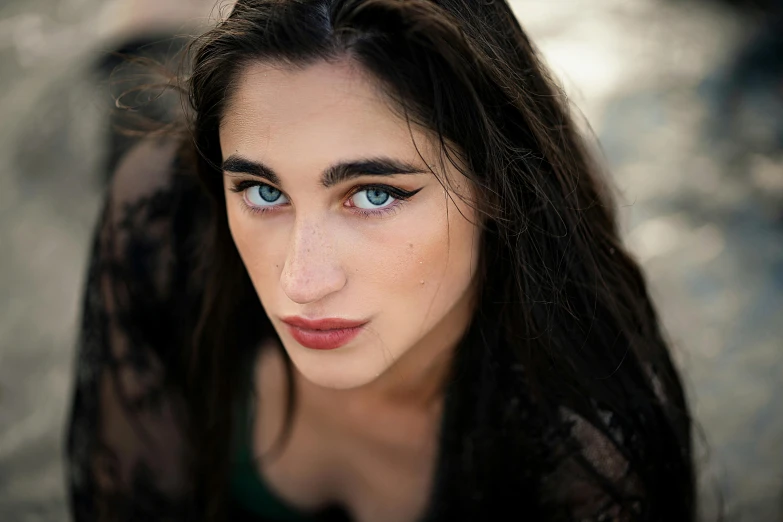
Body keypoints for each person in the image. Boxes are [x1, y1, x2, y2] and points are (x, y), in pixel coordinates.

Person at [65, 1, 696, 521]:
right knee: (137, 54)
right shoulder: (164, 219)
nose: (301, 282)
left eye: (374, 194)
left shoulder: (587, 454)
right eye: (263, 191)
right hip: (158, 111)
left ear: (498, 191)